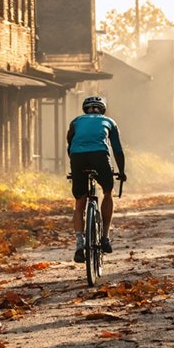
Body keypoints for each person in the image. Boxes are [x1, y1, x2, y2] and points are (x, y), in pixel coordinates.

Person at [67, 95, 127, 263]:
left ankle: (80, 244)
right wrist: (121, 171)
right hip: (99, 156)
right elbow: (117, 149)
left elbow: (70, 145)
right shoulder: (109, 122)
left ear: (85, 109)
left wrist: (75, 165)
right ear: (103, 109)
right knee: (108, 192)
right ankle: (105, 238)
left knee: (80, 202)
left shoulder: (76, 121)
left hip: (77, 158)